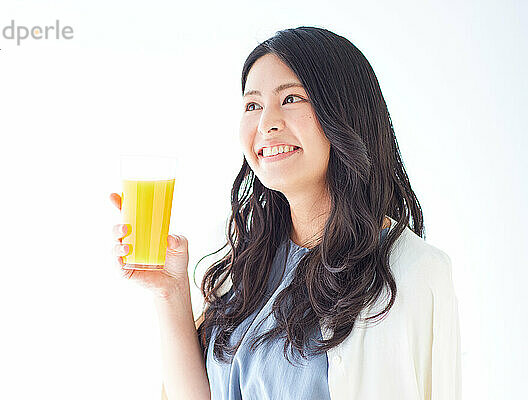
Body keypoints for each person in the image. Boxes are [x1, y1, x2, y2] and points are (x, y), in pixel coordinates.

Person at [110, 26, 461, 400]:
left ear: (344, 113)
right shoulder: (247, 263)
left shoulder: (412, 273)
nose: (266, 124)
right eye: (253, 105)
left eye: (291, 98)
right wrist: (171, 291)